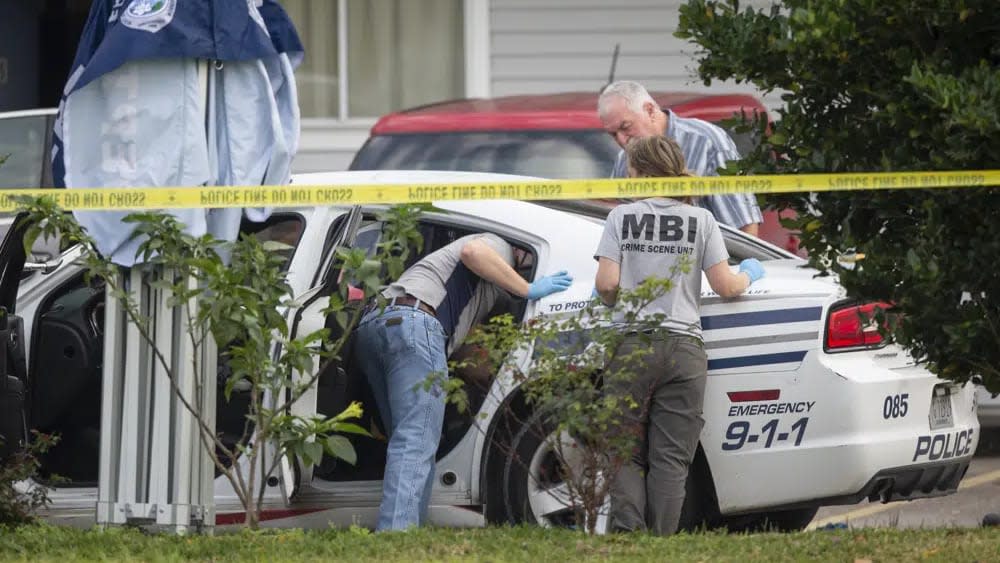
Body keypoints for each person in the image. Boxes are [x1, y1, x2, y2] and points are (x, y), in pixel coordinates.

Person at [594, 135, 765, 535]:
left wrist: (616, 293)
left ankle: (628, 538)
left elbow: (606, 285)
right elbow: (725, 286)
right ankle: (662, 543)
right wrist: (750, 275)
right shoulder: (701, 220)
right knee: (671, 457)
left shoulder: (621, 217)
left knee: (624, 451)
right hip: (685, 348)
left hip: (631, 344)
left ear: (637, 172)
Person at [353, 233, 573, 531]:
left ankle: (406, 525)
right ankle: (396, 534)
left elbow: (467, 354)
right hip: (416, 322)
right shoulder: (498, 244)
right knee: (415, 441)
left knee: (406, 438)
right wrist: (529, 288)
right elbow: (473, 252)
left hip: (374, 324)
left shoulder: (473, 284)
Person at [598, 80, 763, 236]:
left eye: (626, 127)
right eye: (613, 134)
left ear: (650, 110)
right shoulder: (623, 158)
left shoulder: (707, 142)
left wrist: (739, 266)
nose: (621, 140)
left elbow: (744, 226)